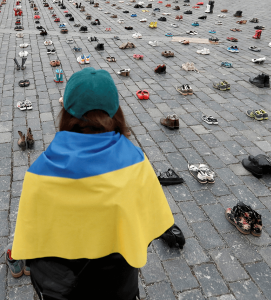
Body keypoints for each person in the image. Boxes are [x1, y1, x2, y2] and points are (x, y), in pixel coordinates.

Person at [11, 68, 175, 300]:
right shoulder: (136, 162)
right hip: (117, 287)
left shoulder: (38, 172)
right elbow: (149, 229)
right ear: (116, 111)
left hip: (59, 288)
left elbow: (31, 243)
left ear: (66, 112)